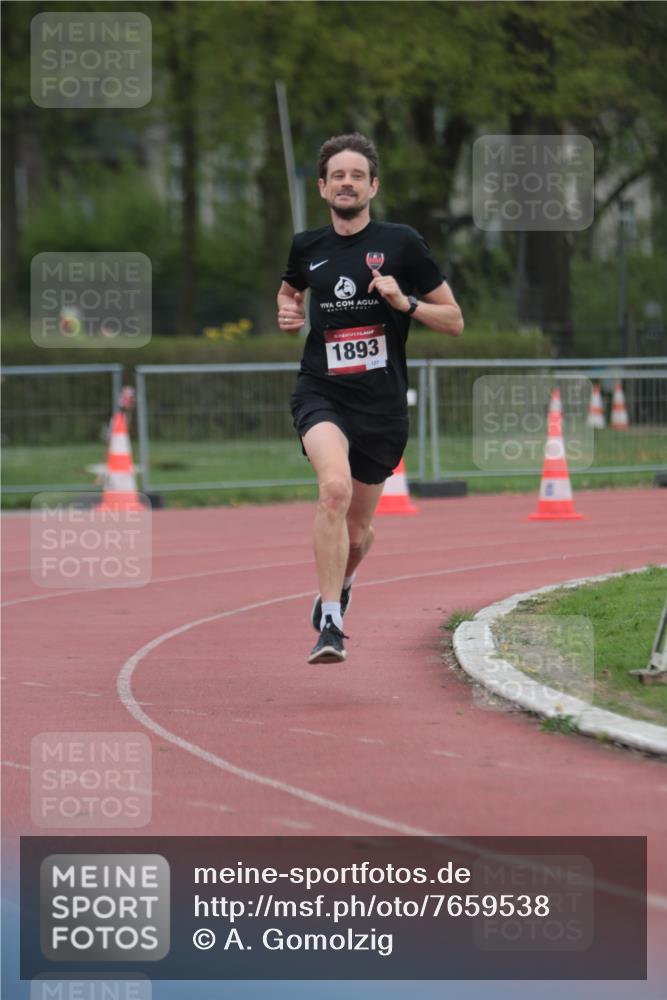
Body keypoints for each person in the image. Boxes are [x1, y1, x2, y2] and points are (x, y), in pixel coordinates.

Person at [277, 133, 463, 665]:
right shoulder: (306, 246)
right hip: (322, 392)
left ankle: (346, 580)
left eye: (357, 175)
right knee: (332, 490)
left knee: (357, 534)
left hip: (381, 406)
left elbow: (454, 321)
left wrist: (404, 303)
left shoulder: (402, 243)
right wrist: (287, 312)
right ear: (322, 187)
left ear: (372, 186)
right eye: (338, 175)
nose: (347, 183)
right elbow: (289, 292)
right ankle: (330, 623)